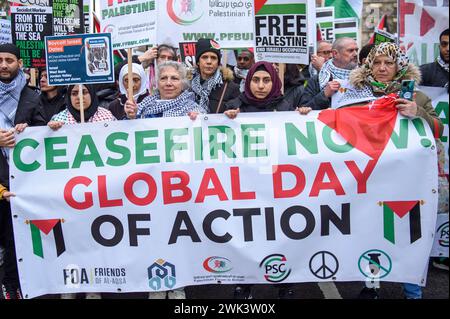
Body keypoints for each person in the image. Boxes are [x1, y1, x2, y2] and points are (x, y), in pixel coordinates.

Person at [325, 42, 443, 299]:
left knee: (411, 235)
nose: (382, 68)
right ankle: (372, 285)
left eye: (388, 63)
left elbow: (438, 130)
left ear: (398, 65)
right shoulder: (356, 94)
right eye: (376, 62)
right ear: (368, 65)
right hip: (370, 181)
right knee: (371, 232)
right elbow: (337, 128)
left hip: (408, 184)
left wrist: (418, 112)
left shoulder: (417, 96)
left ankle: (412, 290)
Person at [125, 61, 203, 299]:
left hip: (180, 185)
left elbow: (203, 143)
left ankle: (178, 282)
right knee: (155, 233)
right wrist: (130, 118)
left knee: (179, 234)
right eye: (164, 78)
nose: (169, 83)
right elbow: (129, 142)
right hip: (150, 185)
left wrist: (199, 122)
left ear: (182, 82)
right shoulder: (142, 107)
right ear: (155, 82)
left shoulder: (194, 108)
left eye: (174, 78)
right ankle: (157, 283)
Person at [223, 61, 294, 299]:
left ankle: (282, 282)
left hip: (276, 185)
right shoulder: (234, 106)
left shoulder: (284, 106)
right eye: (256, 80)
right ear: (248, 81)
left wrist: (304, 116)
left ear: (274, 82)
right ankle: (246, 283)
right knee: (247, 235)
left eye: (266, 81)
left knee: (277, 235)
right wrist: (226, 119)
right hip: (245, 185)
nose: (261, 86)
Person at [48, 84, 115, 299]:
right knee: (72, 241)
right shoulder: (60, 118)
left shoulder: (106, 116)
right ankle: (71, 286)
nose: (79, 97)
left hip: (98, 194)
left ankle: (94, 289)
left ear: (92, 94)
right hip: (70, 195)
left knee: (95, 242)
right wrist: (47, 130)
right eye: (74, 93)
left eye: (84, 92)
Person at [0, 43, 46, 299]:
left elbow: (43, 131)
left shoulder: (33, 96)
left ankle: (11, 287)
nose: (4, 65)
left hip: (22, 181)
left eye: (9, 60)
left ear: (19, 63)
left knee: (16, 240)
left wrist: (29, 131)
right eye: (0, 60)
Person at [420, 28, 449, 271]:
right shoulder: (427, 71)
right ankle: (435, 250)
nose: (447, 48)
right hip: (437, 145)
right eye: (444, 44)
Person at [300, 37, 359, 110]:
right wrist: (324, 95)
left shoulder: (365, 77)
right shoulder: (316, 80)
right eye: (350, 51)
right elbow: (303, 109)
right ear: (335, 53)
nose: (355, 54)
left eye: (356, 50)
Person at [191, 38, 240, 114]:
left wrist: (232, 112)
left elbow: (237, 112)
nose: (209, 62)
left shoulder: (231, 88)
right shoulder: (187, 86)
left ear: (218, 62)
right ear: (198, 61)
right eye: (204, 57)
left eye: (213, 58)